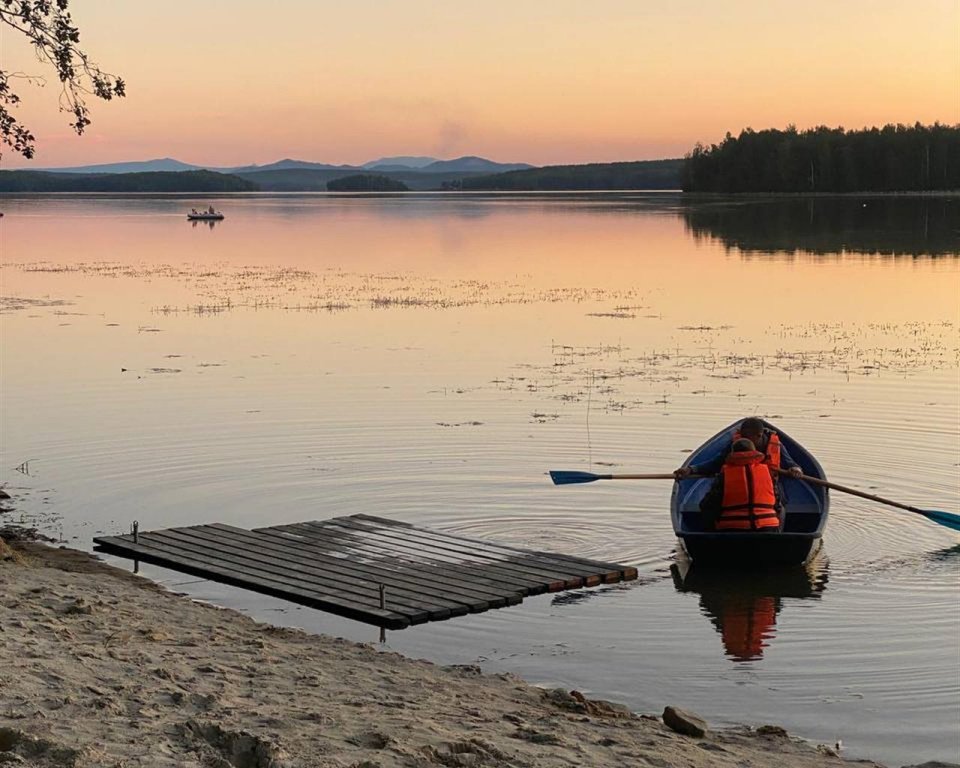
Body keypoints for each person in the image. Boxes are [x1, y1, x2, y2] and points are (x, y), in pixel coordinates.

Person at [674, 417, 803, 480]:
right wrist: (691, 469)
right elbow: (716, 463)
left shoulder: (775, 445)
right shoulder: (736, 444)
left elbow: (790, 463)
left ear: (759, 436)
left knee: (779, 501)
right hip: (737, 480)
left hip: (768, 483)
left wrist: (796, 469)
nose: (743, 440)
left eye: (748, 437)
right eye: (742, 436)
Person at [699, 438, 782, 531]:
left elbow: (710, 503)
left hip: (733, 528)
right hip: (766, 527)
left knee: (705, 507)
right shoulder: (767, 472)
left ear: (732, 453)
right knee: (781, 508)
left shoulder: (725, 474)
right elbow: (777, 502)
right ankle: (778, 537)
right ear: (755, 452)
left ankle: (710, 539)